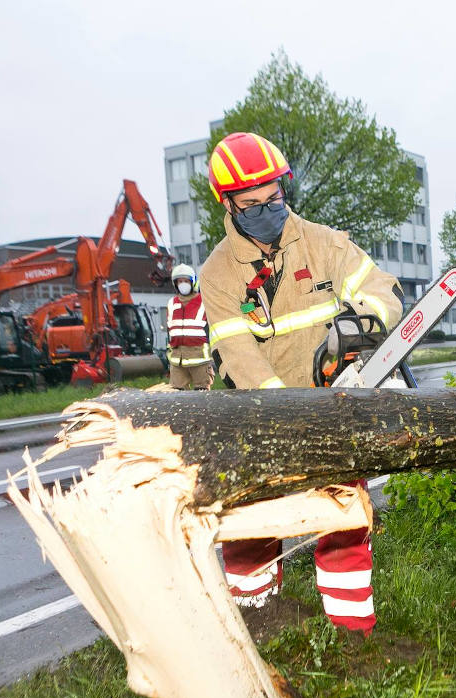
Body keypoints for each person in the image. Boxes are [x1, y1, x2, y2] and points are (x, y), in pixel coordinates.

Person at [199, 131, 403, 635]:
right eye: (253, 204)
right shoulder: (217, 274)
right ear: (228, 205)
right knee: (248, 539)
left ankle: (354, 639)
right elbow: (236, 353)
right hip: (256, 419)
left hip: (331, 410)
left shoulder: (326, 243)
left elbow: (384, 293)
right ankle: (258, 630)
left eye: (275, 197)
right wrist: (286, 413)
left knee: (345, 527)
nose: (270, 210)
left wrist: (356, 327)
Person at [165, 263, 214, 389]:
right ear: (175, 284)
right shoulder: (171, 303)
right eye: (180, 281)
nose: (183, 284)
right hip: (177, 360)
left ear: (193, 282)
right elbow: (170, 331)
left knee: (202, 393)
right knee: (177, 394)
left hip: (199, 358)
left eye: (186, 281)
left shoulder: (204, 301)